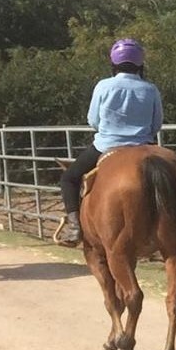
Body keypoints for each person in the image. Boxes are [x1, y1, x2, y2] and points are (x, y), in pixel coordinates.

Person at [57, 39, 164, 245]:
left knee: (69, 179)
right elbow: (156, 124)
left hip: (106, 146)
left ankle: (75, 227)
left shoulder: (103, 86)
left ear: (114, 63)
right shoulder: (150, 89)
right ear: (140, 63)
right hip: (144, 146)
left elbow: (93, 121)